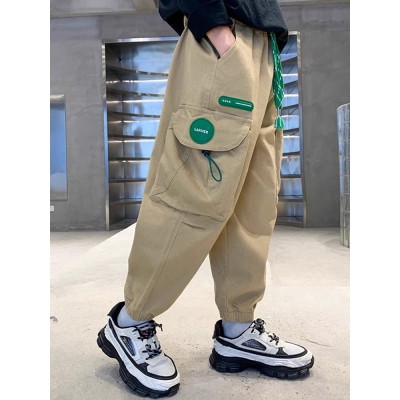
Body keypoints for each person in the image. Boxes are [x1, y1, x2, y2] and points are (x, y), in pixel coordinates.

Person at [97, 0, 314, 397]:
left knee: (252, 203)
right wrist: (218, 32)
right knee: (193, 194)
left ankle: (237, 327)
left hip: (263, 47)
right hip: (225, 36)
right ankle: (130, 322)